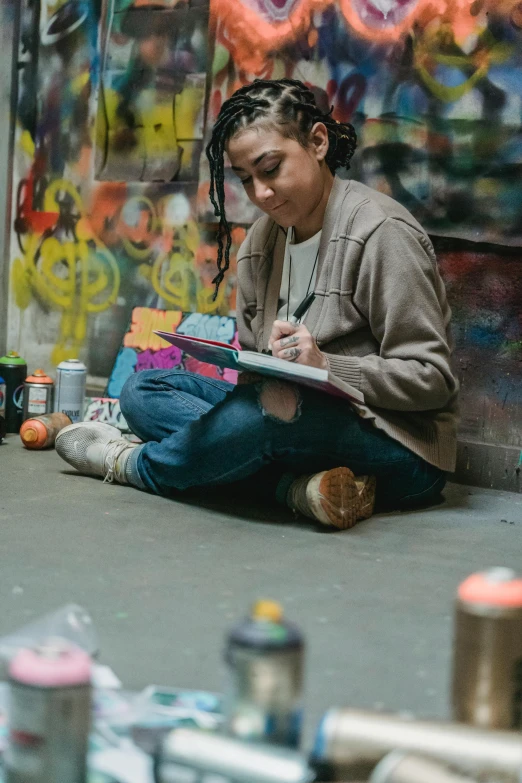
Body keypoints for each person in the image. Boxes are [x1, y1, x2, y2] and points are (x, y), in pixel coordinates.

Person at [55, 78, 459, 530]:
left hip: (402, 452)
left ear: (318, 142)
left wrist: (326, 366)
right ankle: (296, 489)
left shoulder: (381, 233)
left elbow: (433, 380)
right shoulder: (260, 245)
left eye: (271, 169)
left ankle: (132, 464)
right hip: (289, 422)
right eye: (246, 178)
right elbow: (253, 380)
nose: (260, 193)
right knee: (143, 391)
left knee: (268, 411)